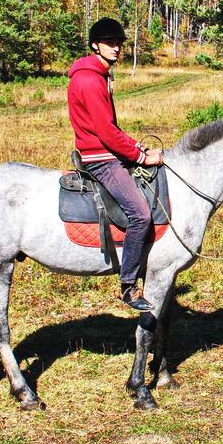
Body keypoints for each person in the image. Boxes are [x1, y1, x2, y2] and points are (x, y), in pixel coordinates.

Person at [67, 17, 163, 311]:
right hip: (101, 159)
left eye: (119, 43)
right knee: (140, 214)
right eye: (110, 43)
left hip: (104, 151)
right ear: (95, 45)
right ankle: (129, 285)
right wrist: (141, 157)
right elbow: (107, 133)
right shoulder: (90, 79)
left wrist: (134, 146)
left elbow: (110, 128)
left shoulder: (98, 74)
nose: (117, 48)